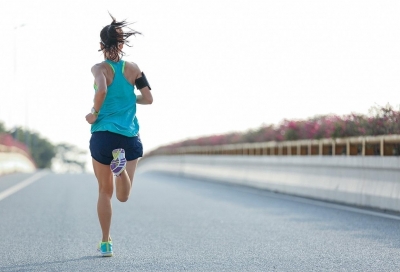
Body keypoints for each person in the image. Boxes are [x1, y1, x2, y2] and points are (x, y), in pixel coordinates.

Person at [85, 14, 153, 257]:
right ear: (122, 44)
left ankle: (105, 242)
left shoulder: (98, 68)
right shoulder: (134, 69)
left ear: (101, 45)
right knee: (124, 196)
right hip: (129, 137)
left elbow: (102, 89)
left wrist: (94, 112)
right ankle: (120, 169)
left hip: (103, 135)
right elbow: (149, 99)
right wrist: (128, 99)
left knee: (105, 192)